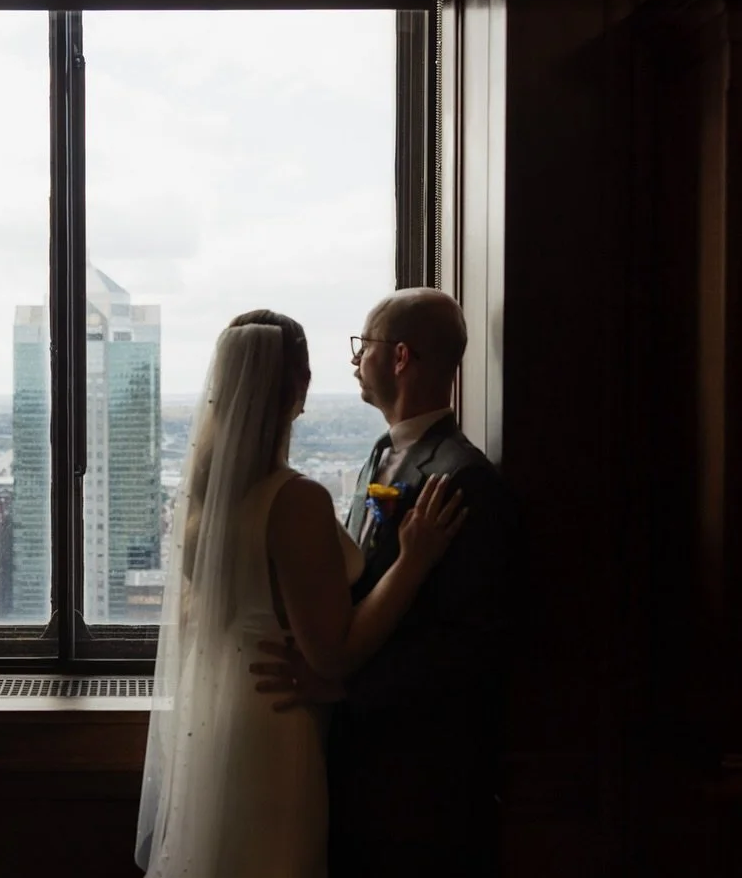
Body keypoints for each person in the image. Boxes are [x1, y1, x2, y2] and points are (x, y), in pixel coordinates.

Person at [135, 308, 468, 878]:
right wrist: (412, 563)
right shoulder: (295, 500)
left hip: (218, 721)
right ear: (299, 388)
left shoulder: (200, 500)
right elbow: (331, 654)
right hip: (277, 721)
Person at [250, 288, 518, 877]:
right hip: (359, 771)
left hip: (419, 786)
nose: (354, 360)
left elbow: (472, 645)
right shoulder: (380, 453)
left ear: (399, 357)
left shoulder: (464, 479)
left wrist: (344, 689)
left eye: (363, 346)